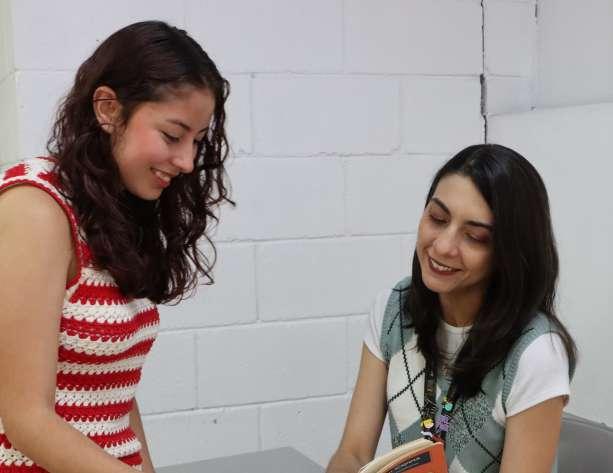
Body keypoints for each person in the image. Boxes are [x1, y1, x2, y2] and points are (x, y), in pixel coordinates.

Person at [0, 21, 232, 473]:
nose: (187, 161)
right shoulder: (36, 206)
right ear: (108, 109)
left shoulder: (113, 211)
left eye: (197, 141)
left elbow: (115, 395)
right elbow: (26, 418)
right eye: (172, 135)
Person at [327, 144, 576, 473]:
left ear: (510, 253)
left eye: (474, 236)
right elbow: (354, 453)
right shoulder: (393, 310)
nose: (443, 246)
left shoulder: (536, 353)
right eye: (437, 218)